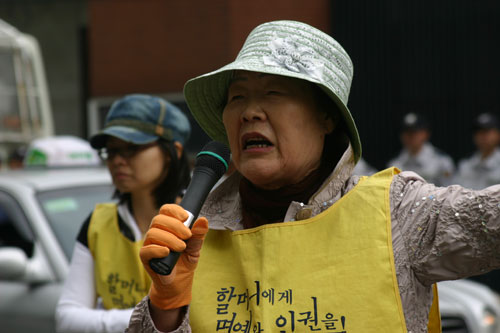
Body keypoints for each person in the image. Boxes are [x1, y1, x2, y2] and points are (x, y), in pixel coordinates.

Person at [127, 21, 500, 333]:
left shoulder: (398, 213)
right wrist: (165, 312)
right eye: (237, 97)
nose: (249, 112)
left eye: (272, 92)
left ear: (327, 118)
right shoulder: (195, 233)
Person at [55, 94, 191, 333]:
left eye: (132, 148)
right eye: (111, 150)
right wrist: (150, 317)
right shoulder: (98, 223)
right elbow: (66, 319)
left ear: (174, 152)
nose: (117, 160)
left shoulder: (201, 222)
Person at [387, 112, 455, 186]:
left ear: (425, 133)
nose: (410, 136)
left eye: (415, 132)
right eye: (406, 132)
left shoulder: (441, 161)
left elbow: (449, 191)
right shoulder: (395, 163)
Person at [454, 112, 500, 190]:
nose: (483, 136)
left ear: (498, 134)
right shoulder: (466, 164)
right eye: (479, 132)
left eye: (487, 132)